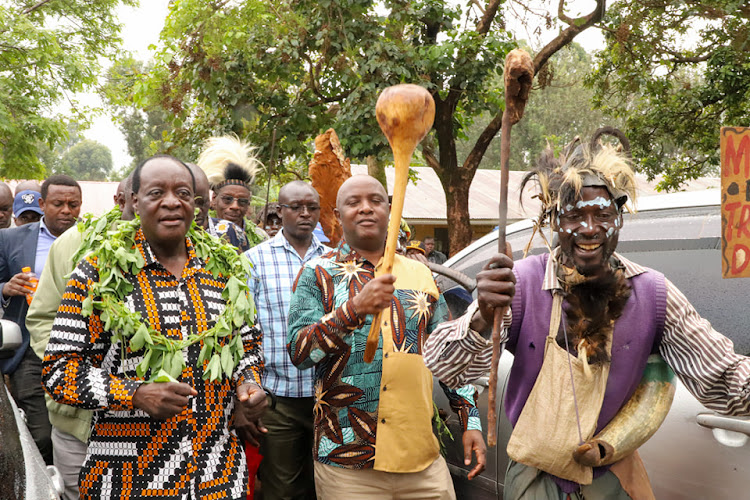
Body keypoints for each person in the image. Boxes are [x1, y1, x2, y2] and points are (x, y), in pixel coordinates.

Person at [423, 143, 750, 499]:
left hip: (615, 480)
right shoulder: (520, 284)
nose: (590, 228)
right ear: (554, 221)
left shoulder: (655, 294)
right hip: (534, 481)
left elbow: (726, 381)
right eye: (574, 216)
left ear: (619, 219)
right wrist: (483, 316)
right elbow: (444, 367)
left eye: (602, 215)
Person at [41, 155, 267, 500]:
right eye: (156, 192)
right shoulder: (97, 272)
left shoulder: (225, 269)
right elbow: (59, 372)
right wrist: (134, 393)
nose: (171, 201)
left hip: (217, 474)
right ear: (134, 201)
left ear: (195, 203)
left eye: (182, 193)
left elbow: (248, 347)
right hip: (128, 479)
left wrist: (249, 384)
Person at [287, 175, 485, 500]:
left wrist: (470, 419)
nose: (366, 208)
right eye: (353, 202)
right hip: (347, 463)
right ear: (337, 215)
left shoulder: (422, 274)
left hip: (421, 458)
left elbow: (446, 356)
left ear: (389, 210)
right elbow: (300, 353)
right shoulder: (317, 274)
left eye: (375, 201)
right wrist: (353, 310)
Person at [27, 175, 134, 500]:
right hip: (79, 420)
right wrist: (75, 371)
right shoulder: (74, 244)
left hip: (148, 424)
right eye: (150, 196)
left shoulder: (188, 254)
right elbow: (43, 319)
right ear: (122, 201)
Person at [246, 181, 329, 500]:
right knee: (282, 489)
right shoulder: (254, 260)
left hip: (329, 395)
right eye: (296, 207)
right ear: (280, 212)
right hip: (277, 398)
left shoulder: (336, 260)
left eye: (312, 208)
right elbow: (244, 330)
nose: (305, 214)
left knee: (329, 483)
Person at [0, 174, 82, 465]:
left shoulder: (92, 240)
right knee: (41, 433)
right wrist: (6, 289)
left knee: (75, 428)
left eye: (73, 204)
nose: (66, 210)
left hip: (81, 349)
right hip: (31, 348)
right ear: (43, 203)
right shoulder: (9, 238)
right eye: (58, 203)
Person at [197, 135, 268, 247]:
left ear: (248, 204)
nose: (235, 206)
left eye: (242, 201)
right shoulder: (200, 235)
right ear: (214, 199)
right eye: (227, 199)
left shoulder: (260, 237)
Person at [187, 162, 249, 252]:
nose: (197, 210)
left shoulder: (233, 232)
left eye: (201, 203)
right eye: (227, 199)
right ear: (214, 199)